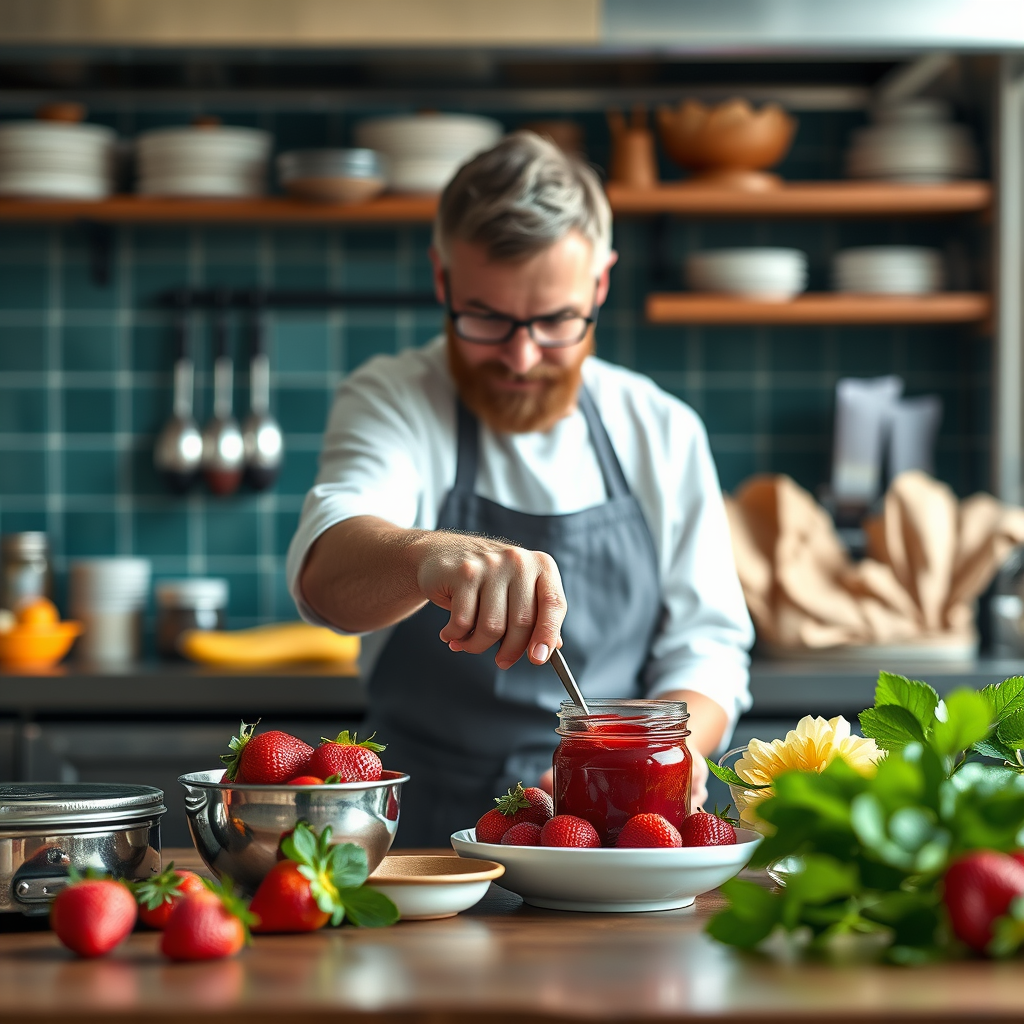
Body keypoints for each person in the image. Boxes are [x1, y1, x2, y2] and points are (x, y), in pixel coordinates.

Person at [287, 131, 753, 847]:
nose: (522, 355)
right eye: (488, 319)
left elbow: (708, 644)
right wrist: (428, 556)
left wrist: (674, 754)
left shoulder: (661, 430)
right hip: (419, 848)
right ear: (442, 282)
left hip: (610, 834)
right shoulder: (391, 400)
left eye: (557, 321)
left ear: (599, 286)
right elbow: (325, 573)